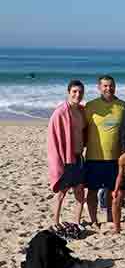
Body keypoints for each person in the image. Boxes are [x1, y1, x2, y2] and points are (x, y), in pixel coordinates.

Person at [83, 75, 125, 226]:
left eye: (111, 85)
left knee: (111, 191)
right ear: (99, 87)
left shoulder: (122, 106)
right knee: (93, 191)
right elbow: (82, 128)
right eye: (105, 86)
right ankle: (94, 220)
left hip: (115, 157)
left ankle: (109, 217)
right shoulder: (90, 106)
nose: (109, 88)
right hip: (94, 156)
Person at [47, 80, 87, 226]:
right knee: (61, 193)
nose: (78, 94)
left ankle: (77, 222)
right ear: (68, 92)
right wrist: (58, 160)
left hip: (79, 157)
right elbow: (53, 139)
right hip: (66, 158)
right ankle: (55, 222)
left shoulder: (82, 111)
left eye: (80, 92)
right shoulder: (60, 112)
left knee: (80, 192)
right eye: (74, 92)